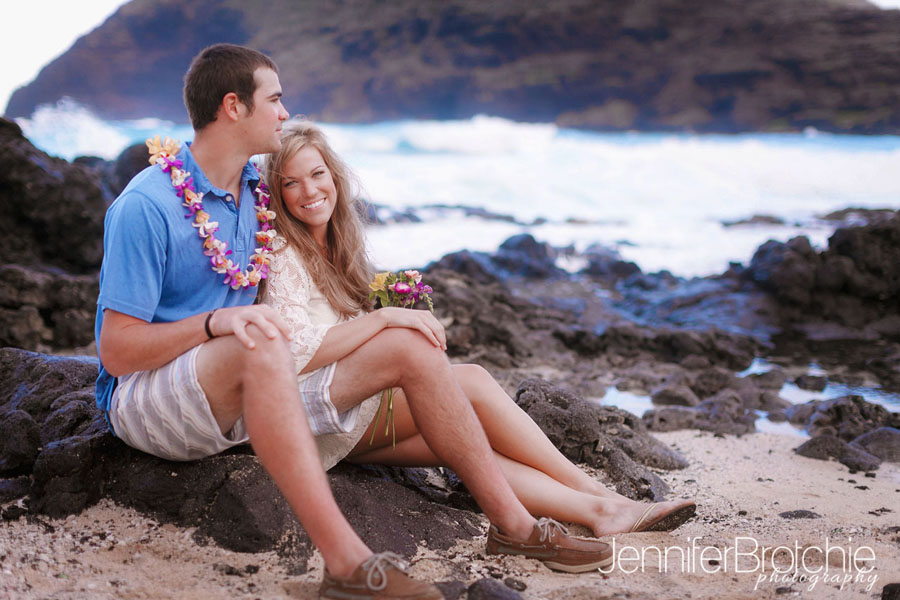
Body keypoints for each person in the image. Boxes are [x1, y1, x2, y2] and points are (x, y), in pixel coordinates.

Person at [95, 43, 622, 600]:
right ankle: (347, 565)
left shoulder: (254, 192)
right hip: (149, 399)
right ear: (233, 106)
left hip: (248, 387)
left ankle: (515, 530)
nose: (283, 111)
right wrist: (215, 325)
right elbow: (116, 352)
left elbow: (311, 215)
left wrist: (374, 303)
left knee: (411, 347)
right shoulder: (146, 206)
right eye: (274, 99)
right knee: (262, 341)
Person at [259, 121, 697, 540]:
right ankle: (601, 494)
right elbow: (293, 349)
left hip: (349, 417)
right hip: (320, 413)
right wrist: (385, 318)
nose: (309, 190)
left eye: (317, 174)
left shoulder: (336, 245)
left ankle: (602, 512)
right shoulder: (282, 250)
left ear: (334, 176)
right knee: (471, 382)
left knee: (470, 444)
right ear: (277, 194)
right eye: (291, 183)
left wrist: (384, 313)